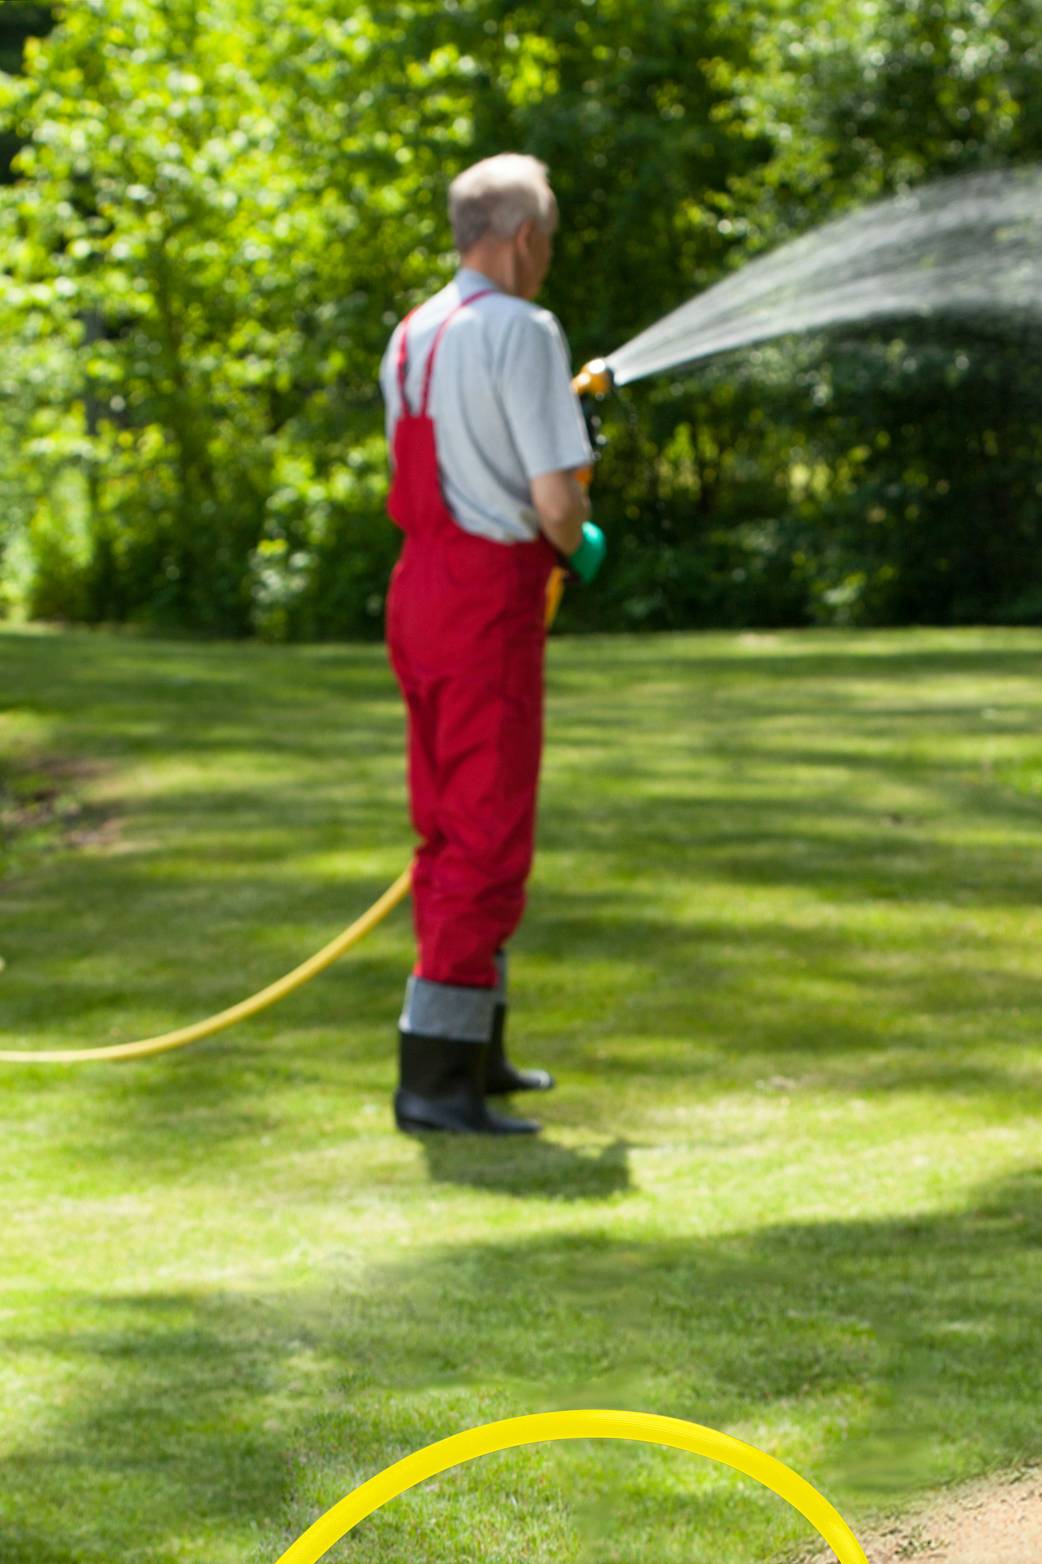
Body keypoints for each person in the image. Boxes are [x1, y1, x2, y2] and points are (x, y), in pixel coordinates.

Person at [381, 152, 597, 1136]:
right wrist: (580, 539)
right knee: (485, 837)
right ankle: (435, 1085)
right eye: (547, 241)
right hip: (484, 602)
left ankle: (475, 1050)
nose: (547, 259)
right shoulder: (524, 329)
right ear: (520, 239)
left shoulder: (414, 329)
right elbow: (553, 499)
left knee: (446, 828)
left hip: (421, 591)